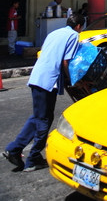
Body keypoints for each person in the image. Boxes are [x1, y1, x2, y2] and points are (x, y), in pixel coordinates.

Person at [3, 12, 85, 172]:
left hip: (37, 77)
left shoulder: (54, 33)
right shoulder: (74, 36)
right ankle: (31, 157)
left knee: (38, 117)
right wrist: (73, 80)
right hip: (48, 81)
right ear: (79, 26)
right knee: (44, 120)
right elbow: (66, 61)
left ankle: (15, 149)